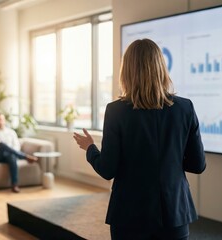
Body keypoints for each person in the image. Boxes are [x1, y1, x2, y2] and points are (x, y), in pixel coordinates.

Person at [73, 39, 206, 240]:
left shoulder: (116, 111)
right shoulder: (185, 108)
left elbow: (107, 169)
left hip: (129, 215)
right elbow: (198, 165)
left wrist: (90, 148)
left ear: (126, 71)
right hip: (174, 214)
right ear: (161, 67)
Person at [0, 113, 38, 193]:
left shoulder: (11, 132)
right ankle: (25, 157)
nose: (0, 122)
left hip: (8, 156)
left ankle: (14, 184)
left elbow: (17, 146)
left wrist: (7, 150)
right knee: (2, 145)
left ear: (4, 120)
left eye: (1, 119)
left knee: (12, 157)